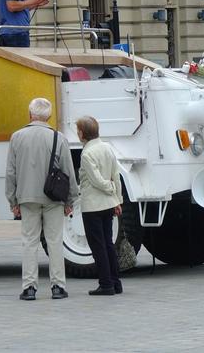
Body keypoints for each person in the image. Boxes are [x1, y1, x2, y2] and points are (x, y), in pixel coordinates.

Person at [5, 97, 78, 301]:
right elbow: (68, 171)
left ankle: (29, 287)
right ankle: (57, 286)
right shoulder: (58, 138)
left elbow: (10, 172)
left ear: (30, 114)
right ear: (50, 116)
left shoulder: (17, 137)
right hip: (53, 197)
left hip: (27, 197)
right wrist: (70, 200)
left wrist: (13, 201)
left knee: (29, 241)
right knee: (54, 241)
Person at [76, 115, 124, 296]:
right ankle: (116, 282)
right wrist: (117, 199)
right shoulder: (107, 148)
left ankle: (105, 284)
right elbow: (116, 175)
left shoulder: (87, 153)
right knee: (109, 244)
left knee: (98, 246)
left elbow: (96, 181)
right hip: (108, 204)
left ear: (82, 133)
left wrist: (109, 187)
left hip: (92, 206)